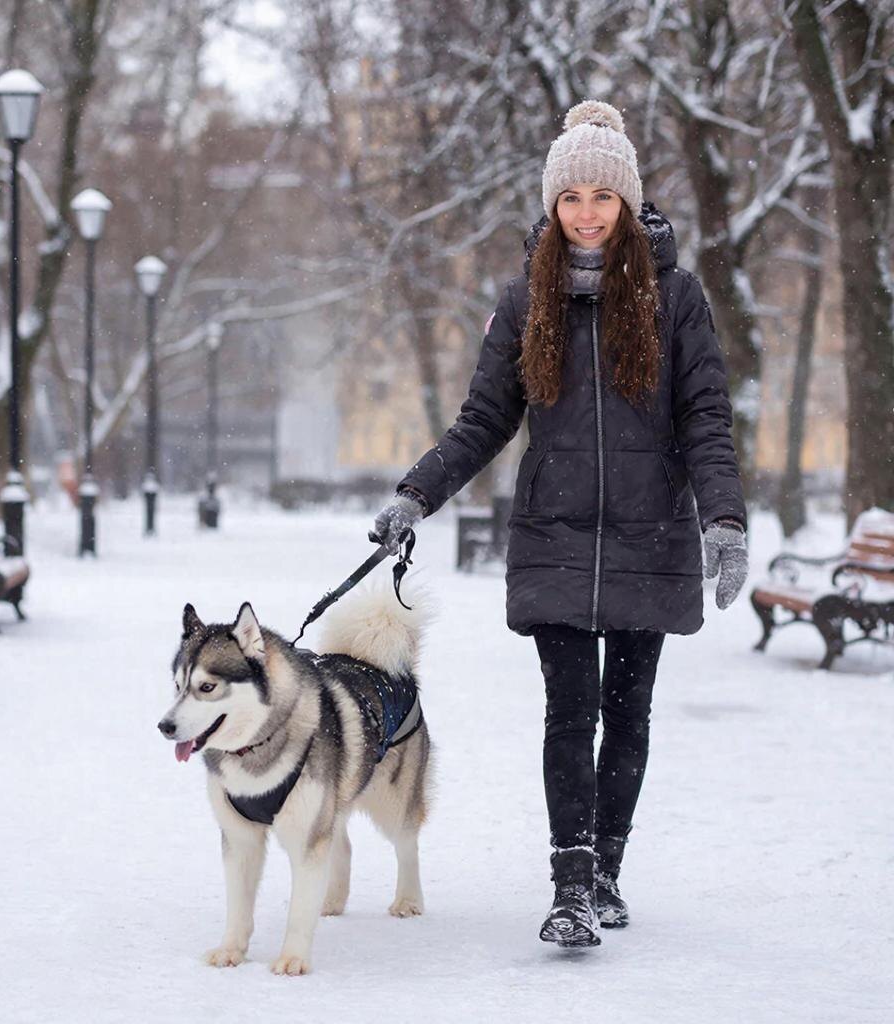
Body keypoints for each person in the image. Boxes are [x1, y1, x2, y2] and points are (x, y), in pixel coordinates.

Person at [372, 100, 748, 949]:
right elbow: (482, 422)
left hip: (652, 533)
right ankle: (570, 884)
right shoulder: (525, 300)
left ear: (626, 204)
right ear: (552, 204)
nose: (585, 212)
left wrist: (722, 518)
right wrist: (415, 495)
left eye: (601, 197)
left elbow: (706, 419)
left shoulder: (676, 299)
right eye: (570, 196)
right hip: (557, 537)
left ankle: (609, 867)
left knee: (631, 712)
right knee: (570, 713)